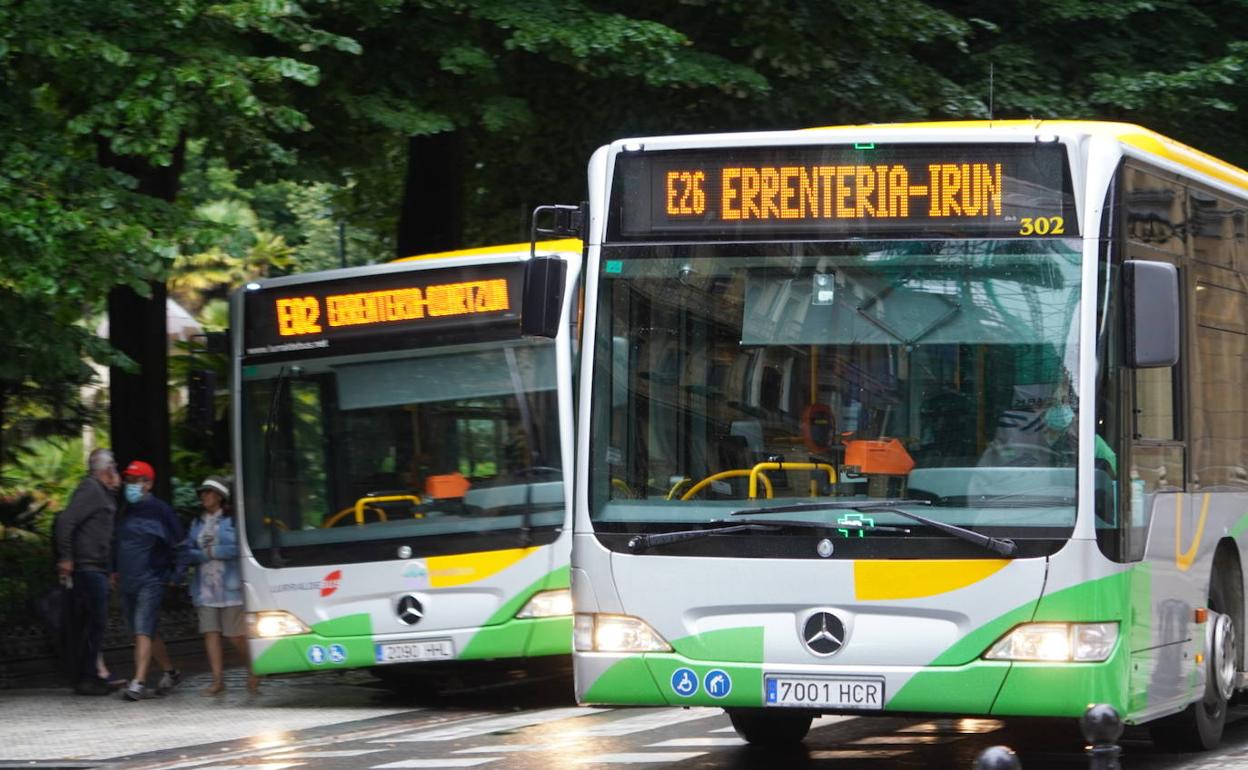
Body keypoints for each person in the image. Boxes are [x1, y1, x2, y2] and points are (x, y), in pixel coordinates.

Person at [115, 460, 187, 701]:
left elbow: (180, 545)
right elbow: (118, 544)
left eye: (136, 481)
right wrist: (113, 570)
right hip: (127, 581)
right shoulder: (126, 509)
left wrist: (177, 575)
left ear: (149, 484)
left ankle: (139, 682)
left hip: (151, 579)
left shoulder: (161, 511)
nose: (131, 485)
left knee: (142, 630)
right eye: (129, 480)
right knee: (146, 631)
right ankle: (171, 672)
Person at [54, 448, 121, 695]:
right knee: (93, 624)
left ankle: (92, 675)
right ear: (105, 469)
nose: (116, 471)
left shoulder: (103, 492)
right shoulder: (91, 488)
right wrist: (67, 556)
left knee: (95, 625)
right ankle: (87, 678)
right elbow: (66, 521)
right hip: (87, 568)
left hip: (97, 568)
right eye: (113, 466)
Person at [187, 476, 258, 695]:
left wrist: (212, 552)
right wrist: (198, 555)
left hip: (229, 587)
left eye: (208, 492)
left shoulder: (233, 521)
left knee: (235, 635)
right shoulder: (196, 523)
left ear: (220, 496)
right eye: (203, 493)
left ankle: (254, 667)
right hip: (204, 587)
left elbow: (240, 547)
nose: (204, 496)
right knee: (210, 633)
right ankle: (218, 681)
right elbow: (187, 550)